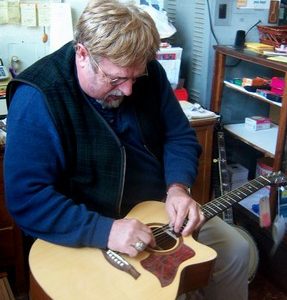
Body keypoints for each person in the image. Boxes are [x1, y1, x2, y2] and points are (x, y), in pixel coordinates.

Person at [4, 0, 249, 299]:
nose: (128, 90)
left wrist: (178, 187)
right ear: (83, 54)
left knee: (236, 251)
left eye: (135, 77)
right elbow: (27, 198)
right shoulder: (38, 97)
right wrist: (105, 231)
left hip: (157, 214)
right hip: (88, 229)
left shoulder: (150, 73)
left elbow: (180, 135)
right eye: (116, 79)